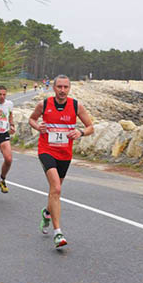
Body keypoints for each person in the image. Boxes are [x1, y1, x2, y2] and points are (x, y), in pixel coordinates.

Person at [29, 74, 94, 248]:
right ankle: (58, 233)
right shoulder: (44, 104)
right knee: (56, 188)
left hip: (65, 154)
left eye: (66, 87)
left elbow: (90, 127)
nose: (63, 90)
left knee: (55, 191)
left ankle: (47, 213)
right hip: (46, 150)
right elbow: (32, 119)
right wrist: (38, 127)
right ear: (53, 88)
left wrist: (80, 133)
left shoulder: (76, 106)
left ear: (69, 88)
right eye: (59, 87)